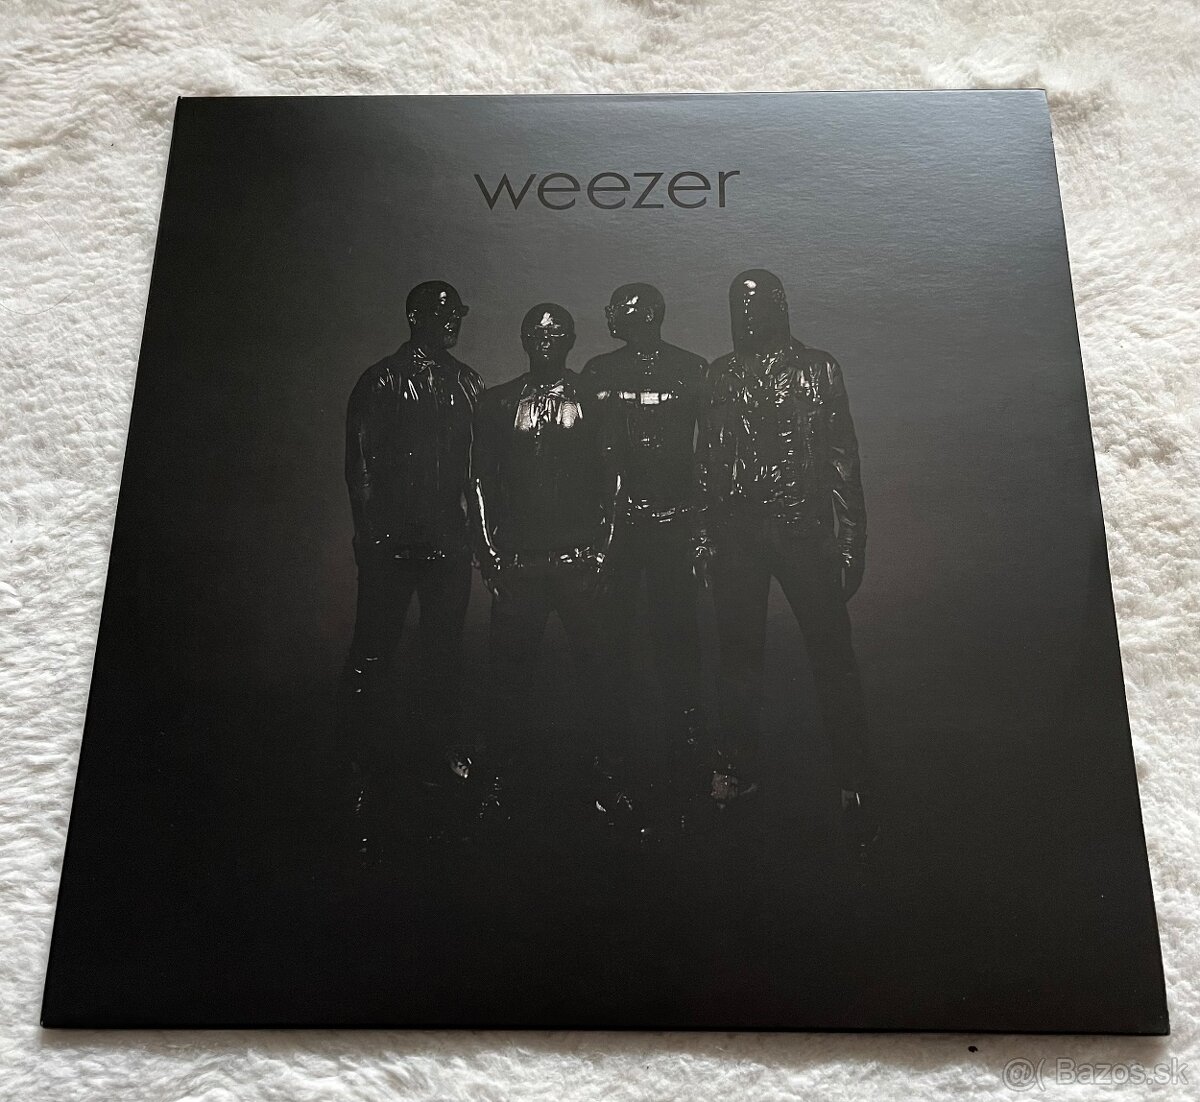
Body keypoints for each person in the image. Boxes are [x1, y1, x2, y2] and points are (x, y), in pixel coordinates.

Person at [697, 269, 876, 853]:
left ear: (780, 305)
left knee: (833, 658)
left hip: (803, 533)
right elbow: (706, 461)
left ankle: (855, 779)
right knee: (737, 660)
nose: (745, 315)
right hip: (738, 535)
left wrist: (851, 540)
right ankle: (735, 769)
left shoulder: (819, 369)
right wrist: (705, 536)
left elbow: (843, 458)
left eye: (755, 304)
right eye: (737, 305)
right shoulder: (719, 374)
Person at [469, 303, 630, 827]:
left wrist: (604, 551)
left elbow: (615, 478)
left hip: (580, 560)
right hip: (519, 562)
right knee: (507, 680)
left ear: (571, 340)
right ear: (523, 339)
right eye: (538, 333)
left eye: (557, 333)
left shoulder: (594, 400)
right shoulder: (496, 403)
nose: (546, 341)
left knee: (601, 675)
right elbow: (479, 481)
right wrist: (489, 553)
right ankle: (498, 781)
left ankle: (610, 780)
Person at [341, 280, 483, 843]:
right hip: (393, 544)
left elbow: (476, 470)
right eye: (442, 313)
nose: (452, 321)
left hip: (447, 543)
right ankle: (358, 764)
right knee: (372, 655)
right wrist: (371, 536)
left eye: (457, 313)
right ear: (414, 316)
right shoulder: (380, 380)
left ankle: (434, 756)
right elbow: (359, 465)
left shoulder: (468, 382)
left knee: (443, 654)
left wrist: (476, 538)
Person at [581, 283, 712, 807]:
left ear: (648, 314)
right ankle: (612, 759)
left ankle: (685, 761)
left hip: (673, 526)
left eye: (620, 308)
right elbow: (582, 457)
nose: (610, 314)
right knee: (611, 643)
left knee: (678, 644)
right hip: (616, 530)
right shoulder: (597, 373)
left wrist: (700, 531)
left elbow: (708, 456)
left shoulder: (692, 370)